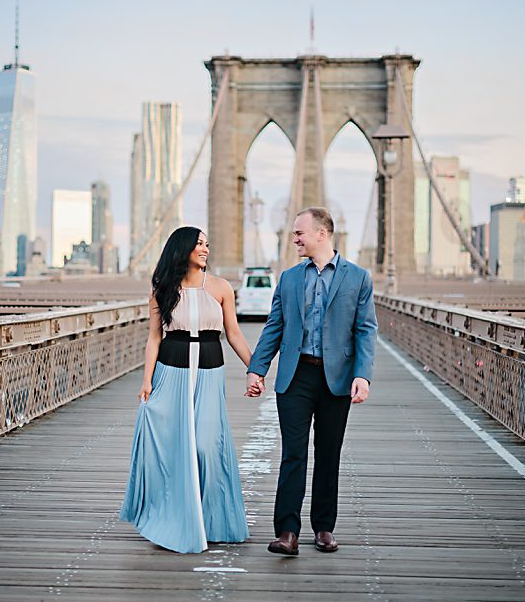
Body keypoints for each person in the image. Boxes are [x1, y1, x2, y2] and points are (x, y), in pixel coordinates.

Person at [246, 207, 377, 555]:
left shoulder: (358, 278)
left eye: (299, 233)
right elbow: (274, 325)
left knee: (329, 454)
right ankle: (287, 531)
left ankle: (323, 528)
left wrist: (362, 375)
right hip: (296, 375)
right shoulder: (289, 278)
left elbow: (365, 330)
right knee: (293, 454)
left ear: (322, 234)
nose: (294, 239)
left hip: (337, 377)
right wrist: (257, 369)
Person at [120, 226, 253, 553]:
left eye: (208, 244)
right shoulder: (161, 289)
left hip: (210, 371)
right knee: (174, 446)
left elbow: (233, 333)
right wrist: (147, 379)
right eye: (199, 244)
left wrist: (256, 368)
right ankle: (174, 517)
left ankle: (210, 520)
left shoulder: (221, 288)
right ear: (183, 250)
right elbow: (154, 337)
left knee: (208, 445)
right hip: (171, 372)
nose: (206, 249)